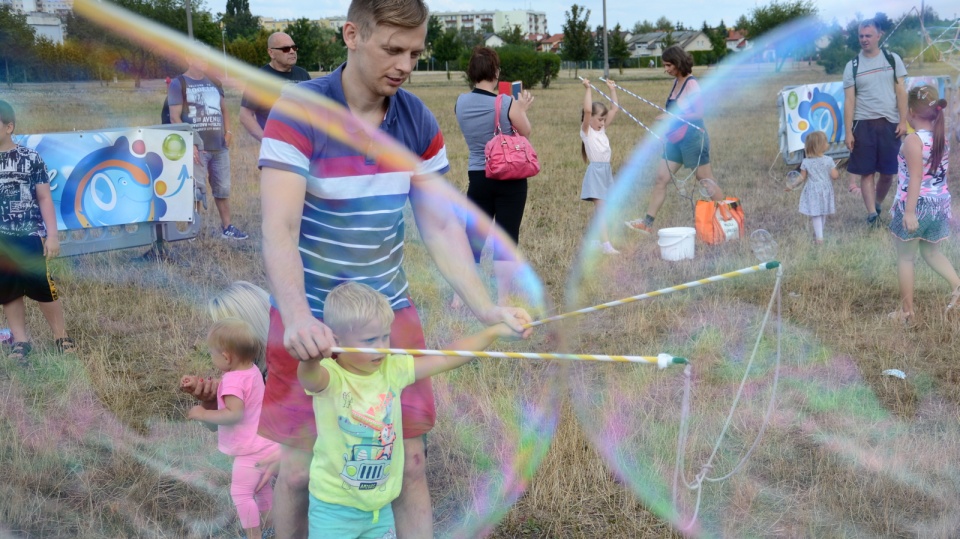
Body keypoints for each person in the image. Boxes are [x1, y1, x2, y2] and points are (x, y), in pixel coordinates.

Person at [257, 0, 533, 537]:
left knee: (410, 465)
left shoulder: (416, 120)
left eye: (414, 51)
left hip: (389, 315)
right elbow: (280, 228)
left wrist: (485, 306)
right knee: (295, 473)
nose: (405, 65)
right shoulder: (299, 109)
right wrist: (296, 317)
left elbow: (442, 226)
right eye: (393, 49)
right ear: (352, 35)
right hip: (309, 314)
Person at [298, 282, 517, 538]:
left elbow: (446, 358)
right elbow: (309, 377)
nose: (382, 347)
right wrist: (310, 357)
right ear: (336, 341)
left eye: (384, 336)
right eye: (370, 340)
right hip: (334, 511)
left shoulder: (393, 368)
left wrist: (492, 333)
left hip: (380, 509)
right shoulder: (330, 376)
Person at [453, 46, 535, 306]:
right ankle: (502, 300)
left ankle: (460, 296)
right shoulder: (506, 102)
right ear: (496, 71)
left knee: (473, 237)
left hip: (478, 176)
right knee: (506, 238)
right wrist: (521, 109)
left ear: (472, 73)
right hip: (509, 178)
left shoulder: (460, 102)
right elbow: (526, 133)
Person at [186, 318, 280, 539]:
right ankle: (271, 527)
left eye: (213, 353)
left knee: (241, 493)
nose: (213, 357)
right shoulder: (253, 370)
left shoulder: (232, 380)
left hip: (249, 449)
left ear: (226, 356)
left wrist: (202, 413)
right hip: (265, 442)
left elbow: (233, 414)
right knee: (262, 488)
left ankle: (254, 535)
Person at [0, 99, 77, 365]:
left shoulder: (31, 158)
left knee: (42, 286)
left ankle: (61, 336)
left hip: (29, 235)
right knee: (7, 290)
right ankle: (21, 341)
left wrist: (52, 235)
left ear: (9, 127)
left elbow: (44, 198)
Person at [625, 45, 724, 234]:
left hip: (693, 138)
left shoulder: (691, 84)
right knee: (661, 178)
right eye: (665, 65)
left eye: (669, 65)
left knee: (705, 180)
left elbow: (699, 113)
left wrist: (671, 118)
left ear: (678, 63)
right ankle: (647, 224)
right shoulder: (676, 82)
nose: (666, 69)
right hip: (675, 139)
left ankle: (728, 218)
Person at [887, 85, 958, 326]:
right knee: (931, 251)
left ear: (911, 113)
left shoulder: (912, 141)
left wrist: (908, 212)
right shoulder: (941, 139)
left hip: (917, 206)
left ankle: (907, 313)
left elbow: (915, 177)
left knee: (906, 258)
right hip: (939, 205)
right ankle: (958, 288)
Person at [168, 49, 248, 240]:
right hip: (197, 148)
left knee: (222, 188)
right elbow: (174, 118)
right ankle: (193, 231)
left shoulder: (214, 81)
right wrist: (191, 143)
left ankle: (227, 227)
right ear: (188, 57)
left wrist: (228, 132)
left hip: (219, 146)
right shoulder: (179, 83)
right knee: (197, 189)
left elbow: (224, 110)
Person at [843, 18, 908, 226]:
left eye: (868, 35)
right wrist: (848, 132)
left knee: (888, 173)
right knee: (867, 172)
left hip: (890, 123)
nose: (864, 39)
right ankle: (872, 215)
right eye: (861, 36)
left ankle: (878, 204)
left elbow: (901, 91)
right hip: (863, 124)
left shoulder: (892, 59)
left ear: (879, 36)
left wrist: (903, 121)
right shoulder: (852, 66)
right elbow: (849, 100)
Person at [239, 32, 311, 142]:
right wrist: (267, 141)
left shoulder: (303, 74)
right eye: (286, 49)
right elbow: (245, 116)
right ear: (271, 53)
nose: (292, 51)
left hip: (304, 147)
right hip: (277, 150)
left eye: (294, 47)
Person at [579, 77, 620, 255]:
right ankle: (606, 244)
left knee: (603, 208)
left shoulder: (601, 130)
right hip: (596, 172)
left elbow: (615, 108)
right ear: (591, 119)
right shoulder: (586, 132)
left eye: (604, 120)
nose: (603, 123)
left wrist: (612, 89)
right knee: (602, 210)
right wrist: (588, 88)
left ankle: (594, 241)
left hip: (606, 171)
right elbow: (588, 110)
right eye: (600, 120)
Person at [786, 131, 838, 244]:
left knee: (816, 213)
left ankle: (819, 236)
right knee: (822, 212)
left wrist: (792, 185)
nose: (827, 144)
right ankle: (820, 236)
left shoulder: (806, 162)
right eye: (825, 142)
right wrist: (834, 168)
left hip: (813, 190)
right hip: (825, 190)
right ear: (821, 145)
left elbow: (801, 177)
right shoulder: (828, 160)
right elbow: (835, 176)